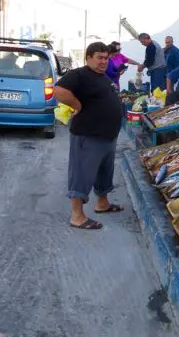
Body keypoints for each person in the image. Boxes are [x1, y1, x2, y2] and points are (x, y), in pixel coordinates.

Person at [53, 42, 124, 230]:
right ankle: (77, 216)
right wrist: (77, 105)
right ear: (88, 57)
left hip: (107, 136)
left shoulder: (102, 77)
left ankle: (103, 203)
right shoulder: (80, 74)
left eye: (106, 58)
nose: (103, 61)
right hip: (88, 135)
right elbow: (59, 91)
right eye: (99, 57)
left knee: (104, 174)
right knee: (81, 174)